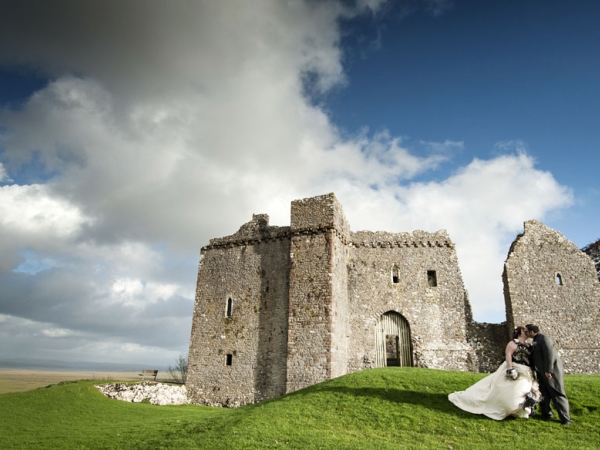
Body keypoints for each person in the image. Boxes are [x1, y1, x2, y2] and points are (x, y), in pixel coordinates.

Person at [448, 326, 541, 420]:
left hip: (526, 372)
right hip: (516, 368)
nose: (526, 332)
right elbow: (508, 354)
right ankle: (503, 407)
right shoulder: (513, 343)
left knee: (522, 391)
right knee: (507, 390)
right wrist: (510, 368)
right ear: (520, 332)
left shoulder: (529, 345)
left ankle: (518, 411)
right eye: (524, 331)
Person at [525, 324, 573, 425]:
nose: (525, 333)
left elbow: (549, 355)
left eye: (526, 331)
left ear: (532, 332)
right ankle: (547, 414)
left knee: (557, 393)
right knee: (544, 393)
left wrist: (549, 370)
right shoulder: (536, 340)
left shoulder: (544, 339)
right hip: (542, 372)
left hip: (551, 372)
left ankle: (566, 419)